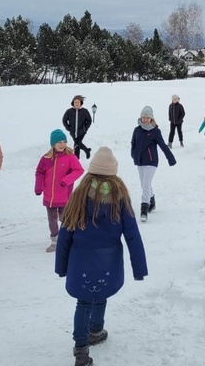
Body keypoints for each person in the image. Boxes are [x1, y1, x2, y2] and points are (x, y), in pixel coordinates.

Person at [55, 147, 148, 366]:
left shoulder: (79, 195)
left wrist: (61, 265)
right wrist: (139, 268)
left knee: (84, 301)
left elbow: (65, 233)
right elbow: (132, 235)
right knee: (101, 293)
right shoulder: (120, 197)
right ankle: (95, 330)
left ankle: (81, 349)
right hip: (109, 260)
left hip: (81, 261)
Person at [34, 129, 84, 252]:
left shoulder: (70, 157)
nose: (62, 145)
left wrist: (66, 181)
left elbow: (78, 170)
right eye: (59, 142)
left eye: (64, 142)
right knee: (52, 219)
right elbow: (39, 172)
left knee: (64, 218)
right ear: (53, 144)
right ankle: (55, 241)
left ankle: (67, 240)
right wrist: (38, 187)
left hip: (64, 195)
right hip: (49, 196)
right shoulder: (46, 158)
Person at [131, 106, 176, 222]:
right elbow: (133, 144)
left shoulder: (155, 131)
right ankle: (152, 200)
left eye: (147, 117)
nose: (145, 119)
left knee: (146, 184)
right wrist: (134, 154)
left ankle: (144, 210)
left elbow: (162, 146)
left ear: (151, 119)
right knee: (144, 184)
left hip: (151, 161)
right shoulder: (137, 130)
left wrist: (170, 158)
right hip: (140, 161)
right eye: (143, 117)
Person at [62, 95, 92, 159]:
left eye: (78, 102)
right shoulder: (69, 111)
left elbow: (89, 121)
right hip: (73, 132)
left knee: (76, 145)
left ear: (80, 103)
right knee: (78, 144)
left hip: (82, 132)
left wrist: (85, 129)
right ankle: (86, 150)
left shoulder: (85, 111)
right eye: (75, 102)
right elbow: (64, 120)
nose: (77, 103)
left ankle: (76, 160)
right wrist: (69, 128)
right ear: (73, 103)